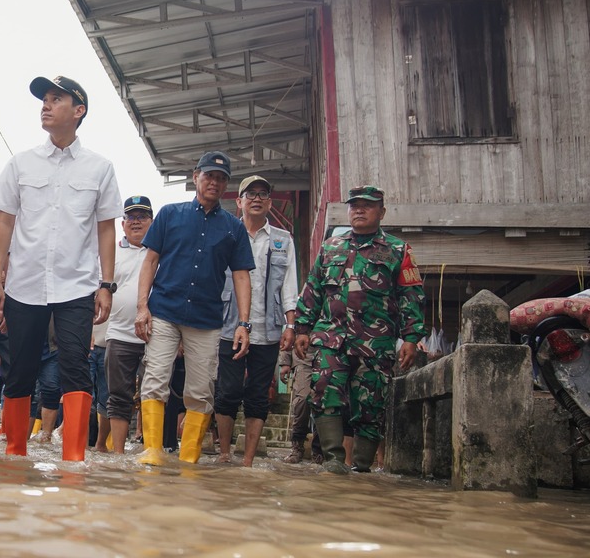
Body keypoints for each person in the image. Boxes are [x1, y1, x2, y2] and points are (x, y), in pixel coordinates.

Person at [0, 76, 122, 461]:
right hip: (25, 284)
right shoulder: (21, 163)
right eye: (44, 99)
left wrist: (106, 284)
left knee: (75, 369)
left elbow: (105, 228)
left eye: (55, 99)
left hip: (76, 286)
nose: (45, 105)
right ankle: (15, 453)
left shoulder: (100, 167)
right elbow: (5, 224)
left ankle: (74, 459)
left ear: (78, 111)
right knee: (20, 370)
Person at [293, 185, 426, 473]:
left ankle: (362, 467)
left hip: (374, 344)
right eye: (354, 206)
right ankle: (333, 461)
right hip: (331, 339)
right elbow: (313, 289)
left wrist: (411, 338)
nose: (359, 210)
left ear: (382, 211)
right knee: (324, 392)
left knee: (370, 407)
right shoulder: (330, 247)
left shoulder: (398, 250)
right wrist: (301, 328)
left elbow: (411, 296)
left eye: (367, 205)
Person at [134, 151, 253, 465]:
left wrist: (243, 322)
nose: (214, 182)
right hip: (163, 311)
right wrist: (142, 307)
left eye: (221, 178)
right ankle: (153, 451)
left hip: (206, 319)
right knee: (156, 378)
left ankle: (189, 459)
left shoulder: (233, 228)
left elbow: (241, 276)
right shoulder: (170, 214)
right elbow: (150, 262)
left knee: (200, 389)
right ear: (195, 176)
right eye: (209, 175)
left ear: (227, 185)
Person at [213, 175, 298, 466]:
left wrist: (290, 324)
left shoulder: (282, 239)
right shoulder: (227, 234)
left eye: (263, 194)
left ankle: (248, 460)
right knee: (228, 391)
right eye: (251, 194)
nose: (257, 198)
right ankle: (225, 453)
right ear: (239, 202)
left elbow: (289, 284)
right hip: (228, 326)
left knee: (258, 395)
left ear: (270, 202)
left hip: (269, 329)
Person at [102, 195, 152, 453]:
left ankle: (152, 450)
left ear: (152, 222)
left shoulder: (159, 251)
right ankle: (119, 453)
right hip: (119, 334)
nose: (136, 222)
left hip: (155, 336)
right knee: (118, 396)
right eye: (131, 217)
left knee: (154, 395)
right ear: (122, 224)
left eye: (142, 217)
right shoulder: (111, 251)